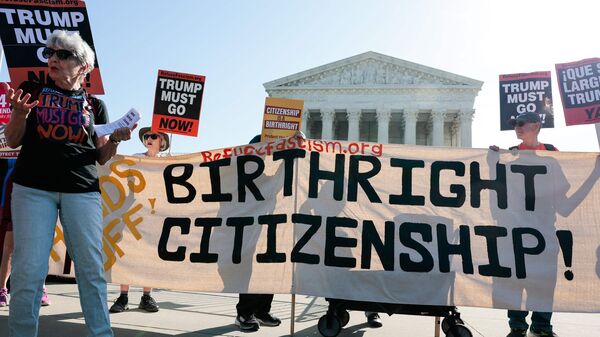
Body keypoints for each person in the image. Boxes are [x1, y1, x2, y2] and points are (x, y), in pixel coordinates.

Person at [3, 30, 132, 337]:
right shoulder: (31, 90)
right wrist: (19, 115)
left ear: (83, 66)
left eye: (63, 54)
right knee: (28, 272)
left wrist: (115, 138)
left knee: (90, 269)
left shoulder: (95, 106)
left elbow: (101, 157)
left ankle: (101, 334)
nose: (53, 59)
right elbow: (12, 139)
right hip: (32, 189)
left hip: (82, 191)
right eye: (50, 54)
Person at [490, 112, 558, 337]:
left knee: (544, 279)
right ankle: (517, 325)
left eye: (521, 124)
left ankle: (542, 325)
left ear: (536, 126)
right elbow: (500, 189)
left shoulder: (552, 152)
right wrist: (493, 164)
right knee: (514, 278)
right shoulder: (511, 154)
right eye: (515, 124)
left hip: (544, 225)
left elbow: (566, 179)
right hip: (516, 225)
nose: (517, 128)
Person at [109, 127, 168, 314]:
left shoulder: (168, 162)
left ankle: (146, 296)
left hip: (153, 215)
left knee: (149, 255)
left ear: (162, 142)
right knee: (127, 252)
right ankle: (123, 296)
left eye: (153, 136)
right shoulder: (135, 157)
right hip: (132, 212)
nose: (149, 139)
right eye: (146, 136)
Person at [233, 134, 282, 332]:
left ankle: (262, 311)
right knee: (250, 272)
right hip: (249, 228)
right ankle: (244, 313)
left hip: (271, 226)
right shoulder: (244, 171)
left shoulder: (272, 173)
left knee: (269, 269)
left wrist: (295, 143)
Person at [0, 159, 51, 307]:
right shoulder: (13, 145)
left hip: (40, 189)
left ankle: (40, 287)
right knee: (10, 246)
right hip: (14, 187)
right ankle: (2, 289)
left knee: (40, 244)